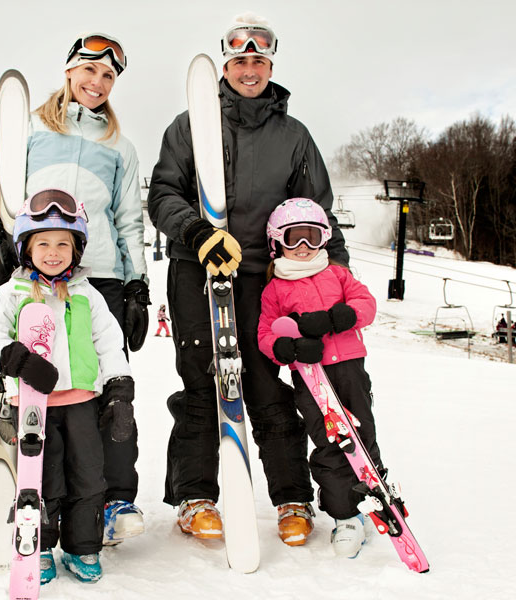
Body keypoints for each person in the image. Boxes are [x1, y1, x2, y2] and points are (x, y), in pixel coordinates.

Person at [147, 13, 350, 547]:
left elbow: (317, 212)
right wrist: (197, 232)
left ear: (270, 65)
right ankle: (195, 496)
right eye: (240, 60)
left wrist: (338, 280)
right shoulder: (191, 123)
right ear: (226, 65)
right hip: (199, 268)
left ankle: (292, 498)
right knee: (203, 379)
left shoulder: (294, 136)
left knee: (263, 380)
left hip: (266, 276)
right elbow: (163, 194)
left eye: (259, 60)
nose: (249, 69)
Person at [0, 33, 149, 545]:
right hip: (34, 275)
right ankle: (38, 499)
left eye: (108, 76)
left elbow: (129, 220)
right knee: (40, 386)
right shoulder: (30, 129)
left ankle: (112, 500)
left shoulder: (120, 147)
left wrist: (136, 285)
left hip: (100, 278)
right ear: (70, 71)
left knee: (107, 394)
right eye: (90, 70)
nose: (97, 83)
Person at [0, 190, 134, 584]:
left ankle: (83, 547)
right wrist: (19, 361)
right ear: (25, 248)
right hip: (33, 405)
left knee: (87, 476)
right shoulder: (11, 293)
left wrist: (118, 390)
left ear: (77, 249)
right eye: (42, 243)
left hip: (82, 401)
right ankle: (41, 546)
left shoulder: (87, 294)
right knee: (42, 477)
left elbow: (109, 342)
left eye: (63, 243)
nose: (53, 252)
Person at [255, 198, 389, 558]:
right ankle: (345, 517)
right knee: (329, 443)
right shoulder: (275, 289)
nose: (302, 248)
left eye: (311, 238)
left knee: (362, 436)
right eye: (293, 239)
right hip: (311, 378)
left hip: (349, 367)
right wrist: (287, 349)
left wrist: (340, 317)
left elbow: (367, 304)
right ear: (276, 242)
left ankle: (373, 498)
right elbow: (266, 334)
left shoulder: (337, 274)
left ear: (324, 239)